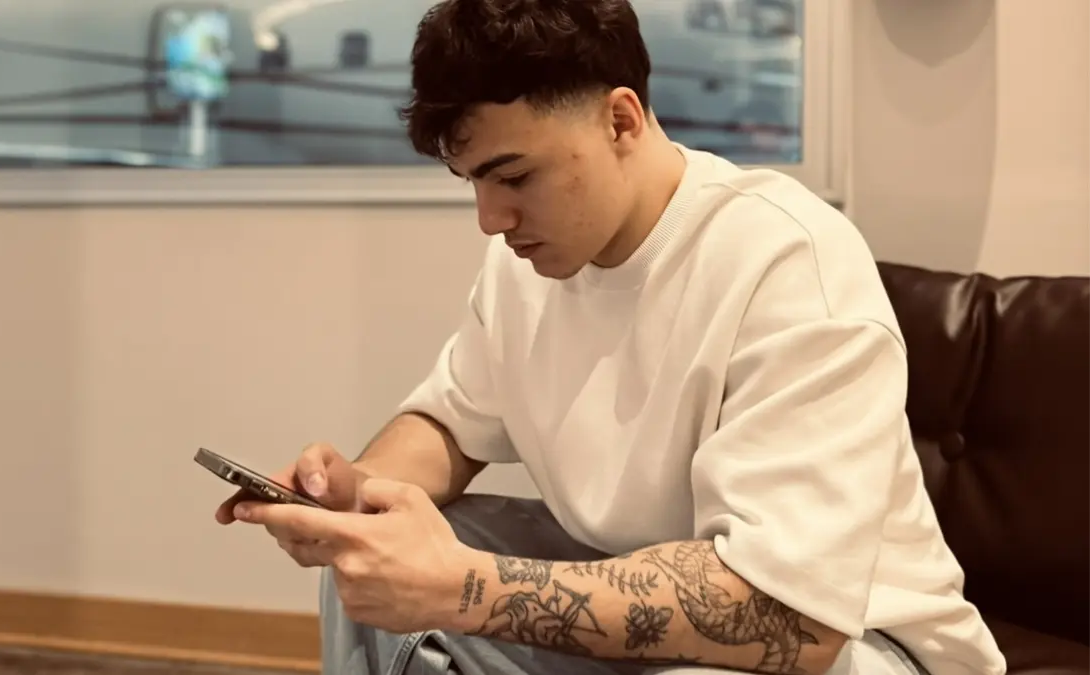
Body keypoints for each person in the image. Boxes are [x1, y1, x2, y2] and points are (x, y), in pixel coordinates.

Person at [214, 1, 1008, 674]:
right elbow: (450, 422)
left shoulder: (786, 260)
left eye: (515, 176)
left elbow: (790, 616)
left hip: (860, 644)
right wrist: (356, 496)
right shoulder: (523, 268)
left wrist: (465, 588)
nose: (491, 218)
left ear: (620, 119)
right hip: (638, 605)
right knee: (376, 553)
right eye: (476, 182)